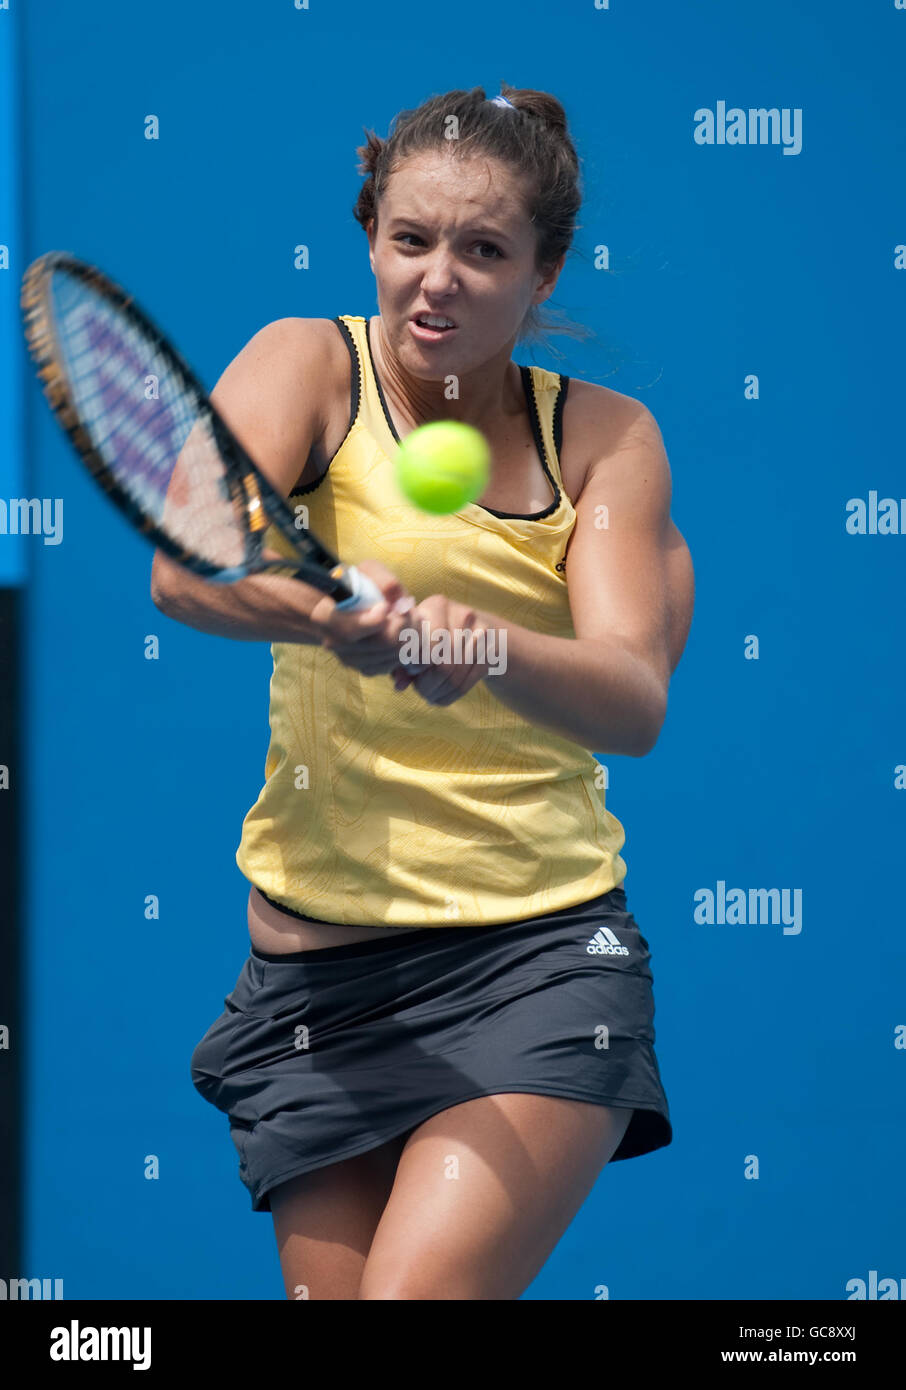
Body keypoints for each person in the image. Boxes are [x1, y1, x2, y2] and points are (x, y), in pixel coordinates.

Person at [152, 84, 694, 1301]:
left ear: (545, 272)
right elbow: (187, 564)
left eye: (483, 249)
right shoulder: (307, 363)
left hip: (539, 959)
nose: (437, 279)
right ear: (370, 238)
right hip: (311, 984)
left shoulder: (610, 438)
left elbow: (632, 695)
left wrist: (485, 643)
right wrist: (326, 614)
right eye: (410, 241)